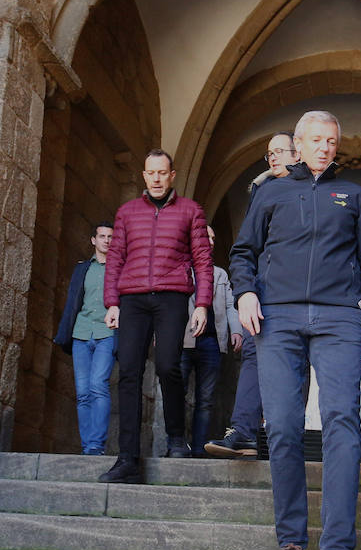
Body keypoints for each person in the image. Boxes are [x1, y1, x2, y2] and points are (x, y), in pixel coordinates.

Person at [230, 111, 361, 550]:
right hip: (277, 317)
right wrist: (244, 294)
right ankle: (292, 542)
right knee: (282, 425)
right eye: (315, 139)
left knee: (343, 421)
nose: (324, 146)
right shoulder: (270, 193)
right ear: (298, 144)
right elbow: (243, 252)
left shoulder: (353, 196)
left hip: (340, 316)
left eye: (332, 140)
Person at [99, 149, 213, 483]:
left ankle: (177, 438)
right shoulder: (126, 212)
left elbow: (202, 260)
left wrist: (202, 303)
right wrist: (112, 303)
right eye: (151, 173)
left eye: (163, 173)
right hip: (132, 298)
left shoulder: (191, 211)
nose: (157, 179)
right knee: (130, 372)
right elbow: (115, 257)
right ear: (144, 176)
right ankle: (127, 458)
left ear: (172, 175)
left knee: (167, 365)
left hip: (172, 297)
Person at [206, 132, 297, 458]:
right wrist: (246, 290)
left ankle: (285, 438)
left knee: (295, 365)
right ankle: (243, 431)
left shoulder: (313, 190)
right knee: (254, 358)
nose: (273, 158)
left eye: (280, 151)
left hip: (300, 297)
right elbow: (247, 248)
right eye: (269, 153)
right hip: (262, 292)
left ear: (297, 154)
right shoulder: (263, 191)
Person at [51, 222, 117, 456]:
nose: (106, 240)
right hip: (80, 333)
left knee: (98, 386)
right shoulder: (82, 269)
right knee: (82, 392)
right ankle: (87, 446)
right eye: (102, 236)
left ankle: (96, 446)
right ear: (93, 240)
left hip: (106, 334)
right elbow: (72, 303)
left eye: (110, 236)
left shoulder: (120, 269)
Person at [181, 227, 243, 456]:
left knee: (205, 400)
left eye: (214, 237)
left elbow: (229, 306)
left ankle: (198, 450)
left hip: (211, 343)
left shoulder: (220, 274)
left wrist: (236, 331)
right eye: (206, 236)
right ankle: (176, 445)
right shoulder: (181, 269)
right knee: (177, 394)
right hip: (183, 340)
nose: (211, 241)